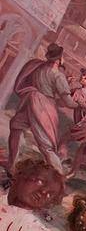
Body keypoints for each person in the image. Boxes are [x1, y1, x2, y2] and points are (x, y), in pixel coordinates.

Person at [7, 43, 70, 173]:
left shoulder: (38, 67)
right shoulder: (58, 75)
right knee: (46, 145)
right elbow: (67, 102)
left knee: (16, 128)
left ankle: (12, 164)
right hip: (43, 107)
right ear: (59, 59)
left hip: (31, 101)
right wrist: (79, 104)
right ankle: (59, 174)